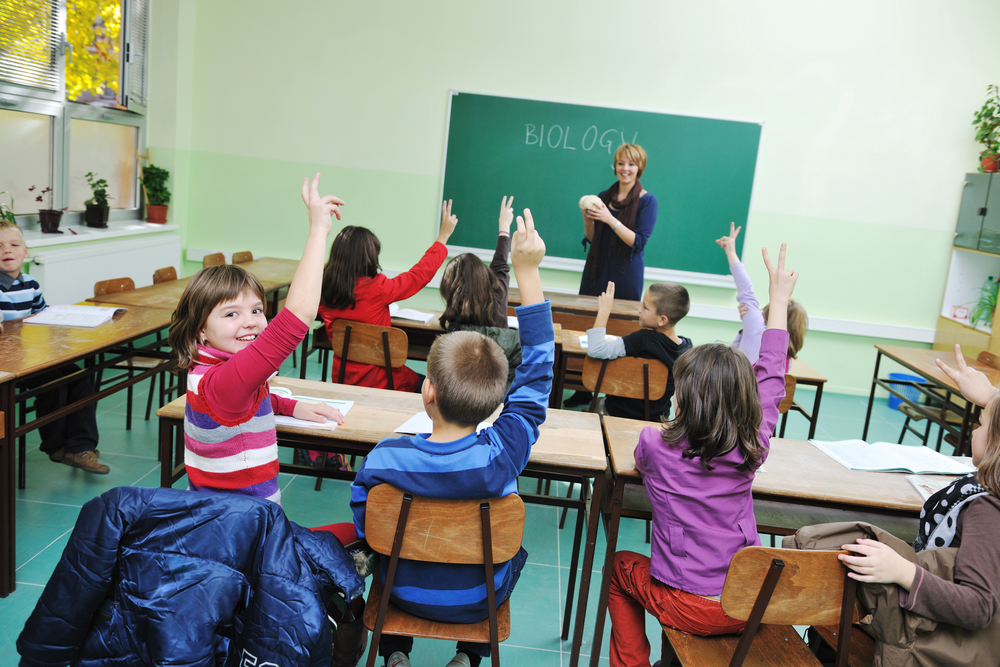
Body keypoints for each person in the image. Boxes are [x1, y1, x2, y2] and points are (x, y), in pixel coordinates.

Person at [350, 209, 551, 667]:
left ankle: (396, 654)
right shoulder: (501, 456)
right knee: (512, 549)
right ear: (496, 402)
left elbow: (368, 525)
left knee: (386, 545)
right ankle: (468, 657)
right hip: (477, 601)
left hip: (401, 593)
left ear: (427, 391)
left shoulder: (386, 457)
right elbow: (538, 377)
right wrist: (528, 272)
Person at [606, 243, 798, 667]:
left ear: (682, 399)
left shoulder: (655, 444)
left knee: (619, 568)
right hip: (746, 602)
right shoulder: (753, 447)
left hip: (688, 605)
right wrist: (779, 301)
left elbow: (645, 459)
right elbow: (771, 377)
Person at [167, 173, 346, 505]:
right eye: (231, 314)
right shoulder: (222, 382)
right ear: (200, 330)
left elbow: (251, 400)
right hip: (243, 525)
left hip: (227, 519)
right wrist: (318, 231)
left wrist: (294, 407)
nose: (250, 322)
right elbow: (297, 319)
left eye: (256, 310)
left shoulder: (211, 370)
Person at [833, 344, 1000, 633]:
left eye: (981, 423)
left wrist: (903, 572)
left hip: (930, 636)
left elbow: (978, 606)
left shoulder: (988, 509)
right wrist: (992, 399)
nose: (973, 429)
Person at [0, 221, 107, 473]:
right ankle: (56, 447)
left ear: (25, 251)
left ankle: (81, 448)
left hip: (31, 355)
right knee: (52, 385)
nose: (7, 251)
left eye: (14, 245)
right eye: (0, 246)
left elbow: (42, 317)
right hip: (8, 364)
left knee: (80, 377)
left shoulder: (31, 285)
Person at [318, 200, 458, 391]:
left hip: (343, 378)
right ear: (369, 258)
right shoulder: (377, 288)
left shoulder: (323, 288)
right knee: (429, 386)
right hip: (382, 381)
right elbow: (418, 276)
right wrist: (442, 238)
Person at [439, 196, 520, 391]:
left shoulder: (454, 332)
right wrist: (504, 226)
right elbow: (500, 264)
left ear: (451, 291)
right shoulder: (497, 296)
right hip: (500, 396)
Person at [583, 280, 692, 420]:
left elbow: (596, 349)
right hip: (656, 419)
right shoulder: (687, 350)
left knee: (596, 403)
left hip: (615, 414)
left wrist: (604, 310)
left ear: (662, 320)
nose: (639, 309)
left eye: (645, 307)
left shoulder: (642, 340)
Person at [718, 221, 808, 370]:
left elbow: (746, 289)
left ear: (766, 314)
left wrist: (731, 253)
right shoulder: (786, 358)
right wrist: (746, 328)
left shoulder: (759, 329)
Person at [579, 143, 657, 302]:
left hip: (625, 272)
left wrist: (610, 219)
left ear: (639, 168)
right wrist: (587, 220)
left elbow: (638, 242)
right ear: (615, 166)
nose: (625, 168)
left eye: (631, 164)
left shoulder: (648, 201)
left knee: (619, 322)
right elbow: (594, 240)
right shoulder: (603, 196)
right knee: (586, 316)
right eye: (620, 163)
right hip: (597, 268)